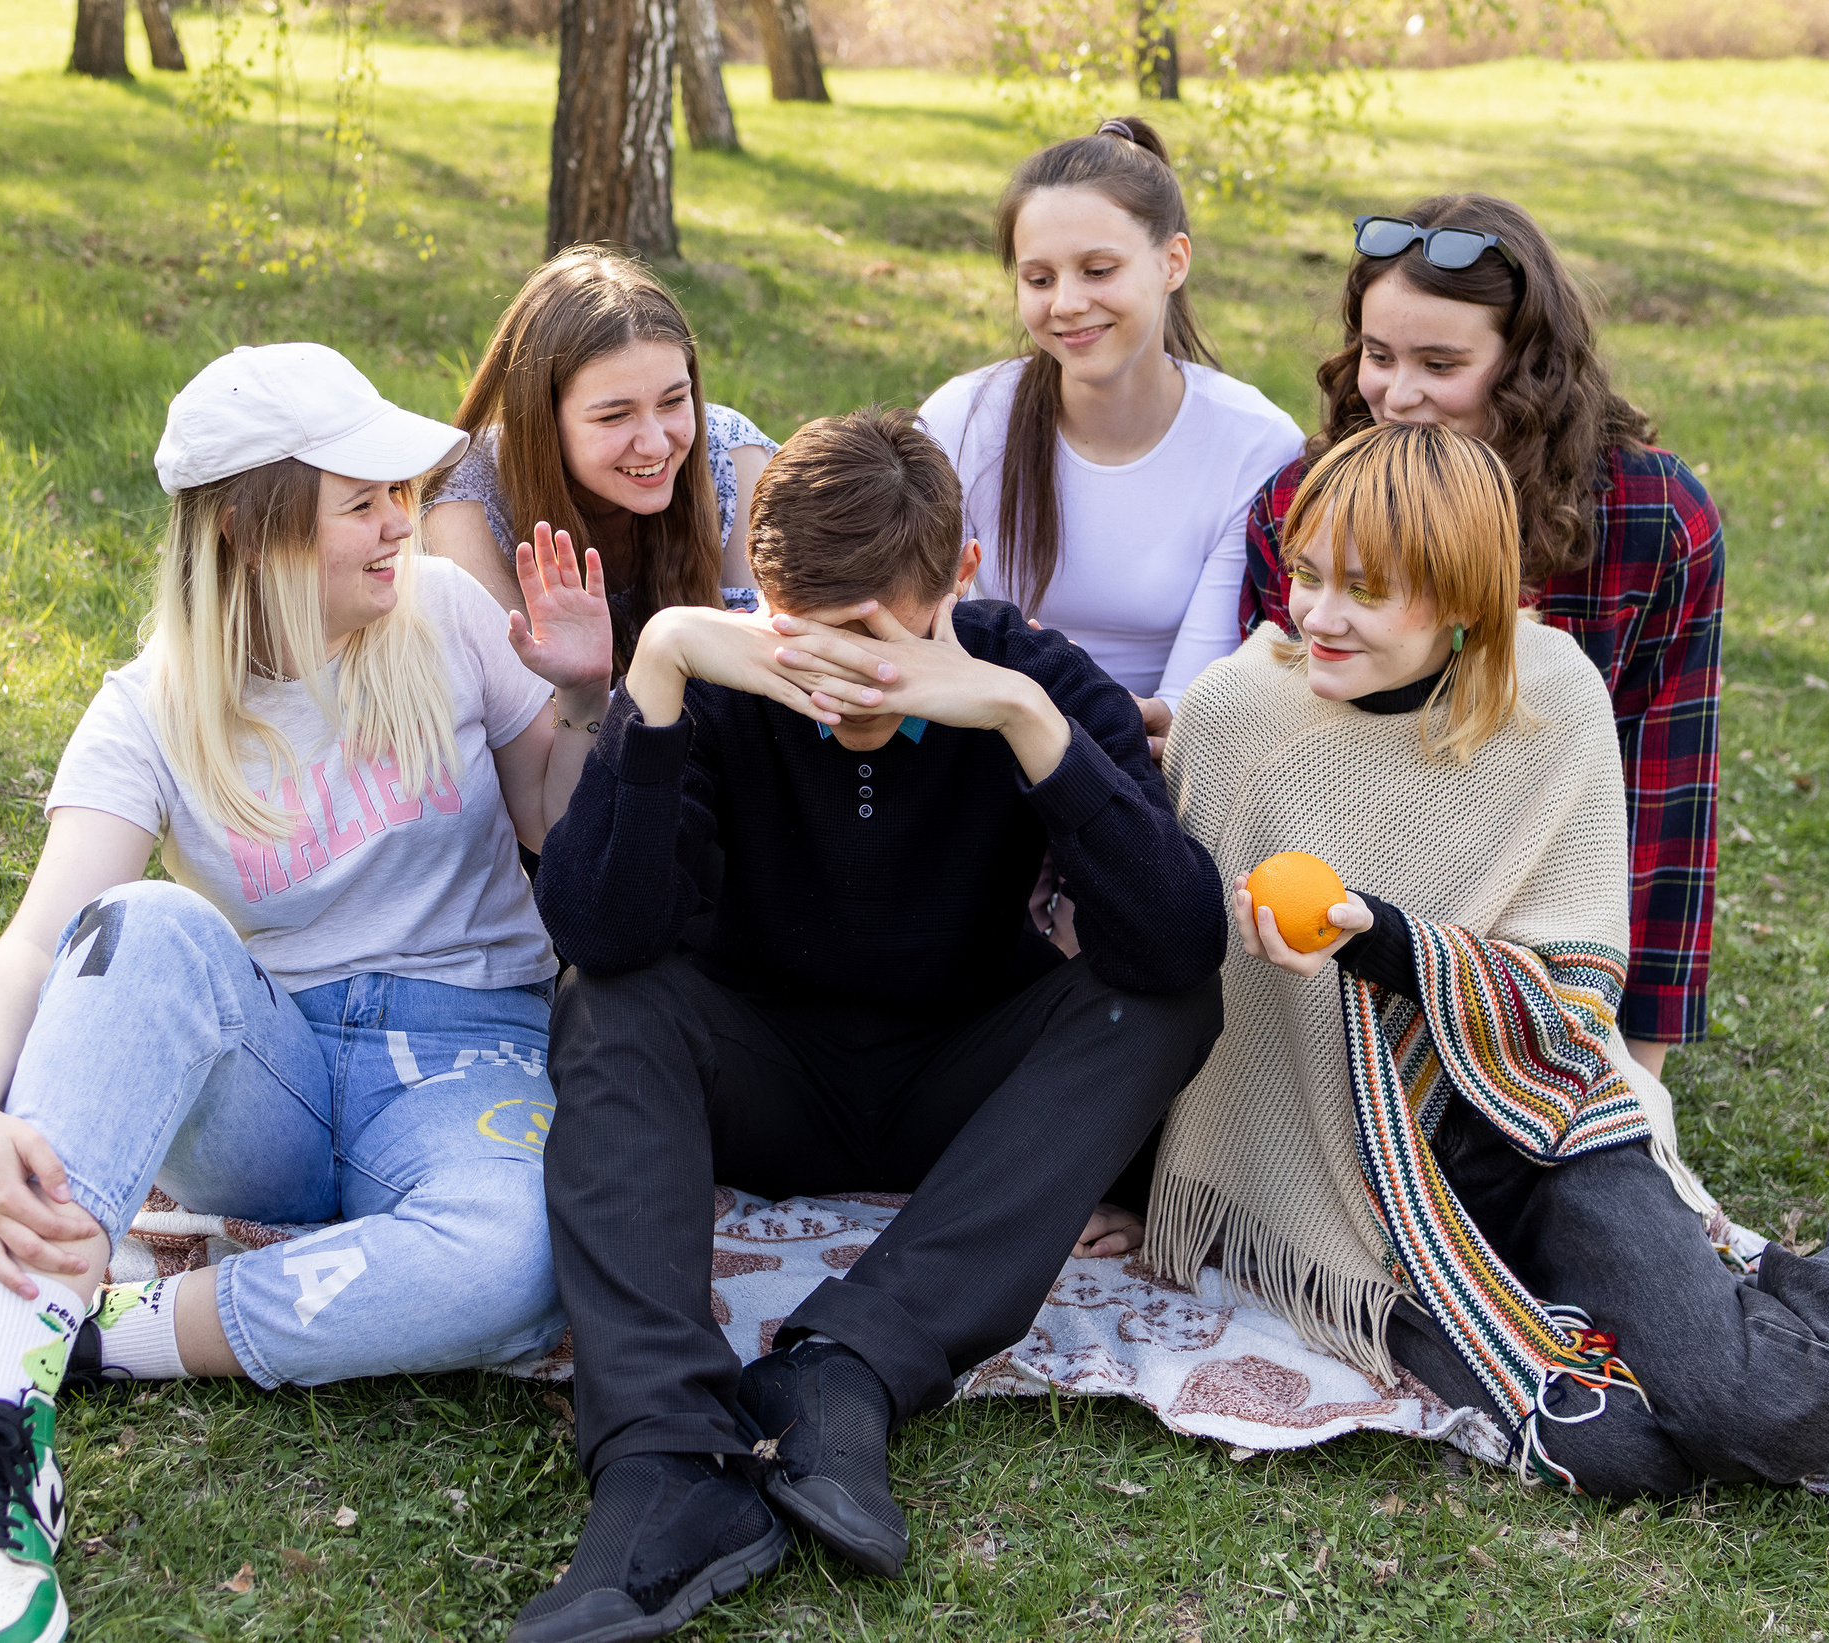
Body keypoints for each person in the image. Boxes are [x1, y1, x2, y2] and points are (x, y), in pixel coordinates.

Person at [1151, 420, 1829, 1501]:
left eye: (1365, 590)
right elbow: (1180, 982)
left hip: (1542, 1126)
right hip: (1356, 1189)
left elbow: (1576, 996)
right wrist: (1127, 1176)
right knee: (1611, 1445)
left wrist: (1376, 938)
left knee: (1739, 1404)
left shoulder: (1548, 697)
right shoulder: (1235, 717)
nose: (1317, 615)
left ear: (1465, 596)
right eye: (1306, 574)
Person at [0, 343, 615, 1643]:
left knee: (525, 1257)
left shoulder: (447, 611)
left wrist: (585, 693)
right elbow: (42, 940)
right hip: (276, 1074)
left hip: (471, 1049)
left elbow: (556, 816)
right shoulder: (149, 704)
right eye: (361, 498)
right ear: (257, 528)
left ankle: (68, 1336)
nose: (399, 518)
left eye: (399, 491)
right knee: (135, 922)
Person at [509, 408, 1227, 1643]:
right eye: (804, 635)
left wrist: (1022, 723)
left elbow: (1171, 945)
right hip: (761, 1079)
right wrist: (665, 670)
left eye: (873, 638)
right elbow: (603, 933)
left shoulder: (1030, 679)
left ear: (959, 576)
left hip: (958, 1090)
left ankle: (848, 1361)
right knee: (610, 997)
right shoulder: (721, 679)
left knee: (1163, 989)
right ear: (762, 595)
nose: (837, 678)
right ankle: (666, 1460)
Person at [1237, 194, 1722, 1074]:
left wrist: (1638, 1078)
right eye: (1379, 356)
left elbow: (1664, 809)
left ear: (1527, 368)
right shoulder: (1303, 508)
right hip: (1341, 942)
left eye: (1441, 362)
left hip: (1539, 947)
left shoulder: (1653, 521)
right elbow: (1272, 753)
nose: (1399, 393)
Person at [919, 117, 1305, 747]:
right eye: (1039, 279)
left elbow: (1191, 703)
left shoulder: (1256, 443)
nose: (1066, 303)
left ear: (1172, 262)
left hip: (1162, 769)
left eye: (1098, 271)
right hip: (983, 748)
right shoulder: (960, 420)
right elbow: (925, 635)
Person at [425, 247, 776, 663]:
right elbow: (522, 709)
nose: (657, 445)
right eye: (615, 416)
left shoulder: (730, 455)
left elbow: (781, 662)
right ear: (542, 421)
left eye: (672, 401)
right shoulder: (468, 500)